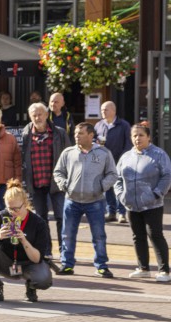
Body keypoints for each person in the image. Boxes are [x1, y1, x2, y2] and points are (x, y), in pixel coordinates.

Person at [54, 122, 117, 277]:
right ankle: (67, 265)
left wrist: (102, 186)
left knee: (98, 235)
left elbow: (112, 174)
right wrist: (64, 185)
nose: (76, 136)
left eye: (81, 133)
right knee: (67, 234)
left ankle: (101, 265)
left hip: (95, 201)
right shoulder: (68, 153)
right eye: (75, 133)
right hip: (71, 201)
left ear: (91, 135)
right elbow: (58, 172)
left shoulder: (103, 153)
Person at [0, 181, 54, 303]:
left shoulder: (38, 223)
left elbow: (37, 258)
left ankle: (31, 287)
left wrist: (24, 240)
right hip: (8, 262)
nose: (13, 212)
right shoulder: (1, 217)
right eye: (10, 208)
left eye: (17, 209)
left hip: (29, 264)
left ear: (25, 204)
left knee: (44, 279)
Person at [114, 124, 171, 281]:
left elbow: (167, 176)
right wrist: (121, 195)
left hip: (152, 204)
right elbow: (117, 178)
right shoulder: (126, 156)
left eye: (140, 135)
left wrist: (156, 194)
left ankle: (164, 271)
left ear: (148, 137)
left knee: (155, 235)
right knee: (137, 236)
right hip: (131, 204)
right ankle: (143, 268)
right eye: (134, 135)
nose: (137, 138)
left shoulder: (159, 154)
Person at [20, 103, 69, 253]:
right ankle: (46, 250)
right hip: (36, 183)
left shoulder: (59, 133)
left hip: (57, 183)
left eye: (40, 114)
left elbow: (69, 157)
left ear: (47, 115)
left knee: (62, 218)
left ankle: (65, 252)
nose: (37, 117)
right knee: (41, 219)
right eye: (34, 115)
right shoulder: (26, 134)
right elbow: (22, 158)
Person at [95, 101, 132, 223]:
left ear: (114, 111)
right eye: (101, 110)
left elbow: (128, 143)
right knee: (107, 188)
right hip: (104, 162)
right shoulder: (98, 125)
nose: (103, 112)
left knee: (120, 187)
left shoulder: (124, 125)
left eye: (105, 109)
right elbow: (95, 142)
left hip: (119, 162)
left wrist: (123, 160)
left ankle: (122, 213)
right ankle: (111, 212)